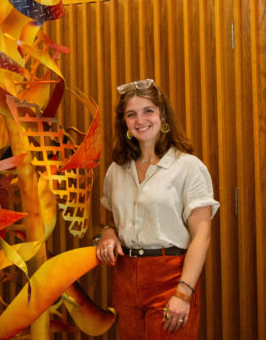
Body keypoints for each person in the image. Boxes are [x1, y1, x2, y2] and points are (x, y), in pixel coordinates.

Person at [96, 78, 219, 339]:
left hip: (171, 278)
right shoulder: (116, 170)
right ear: (125, 123)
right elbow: (112, 220)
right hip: (125, 278)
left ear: (162, 115)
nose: (140, 120)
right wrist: (108, 232)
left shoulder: (188, 167)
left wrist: (184, 292)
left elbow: (202, 235)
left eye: (148, 111)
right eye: (131, 114)